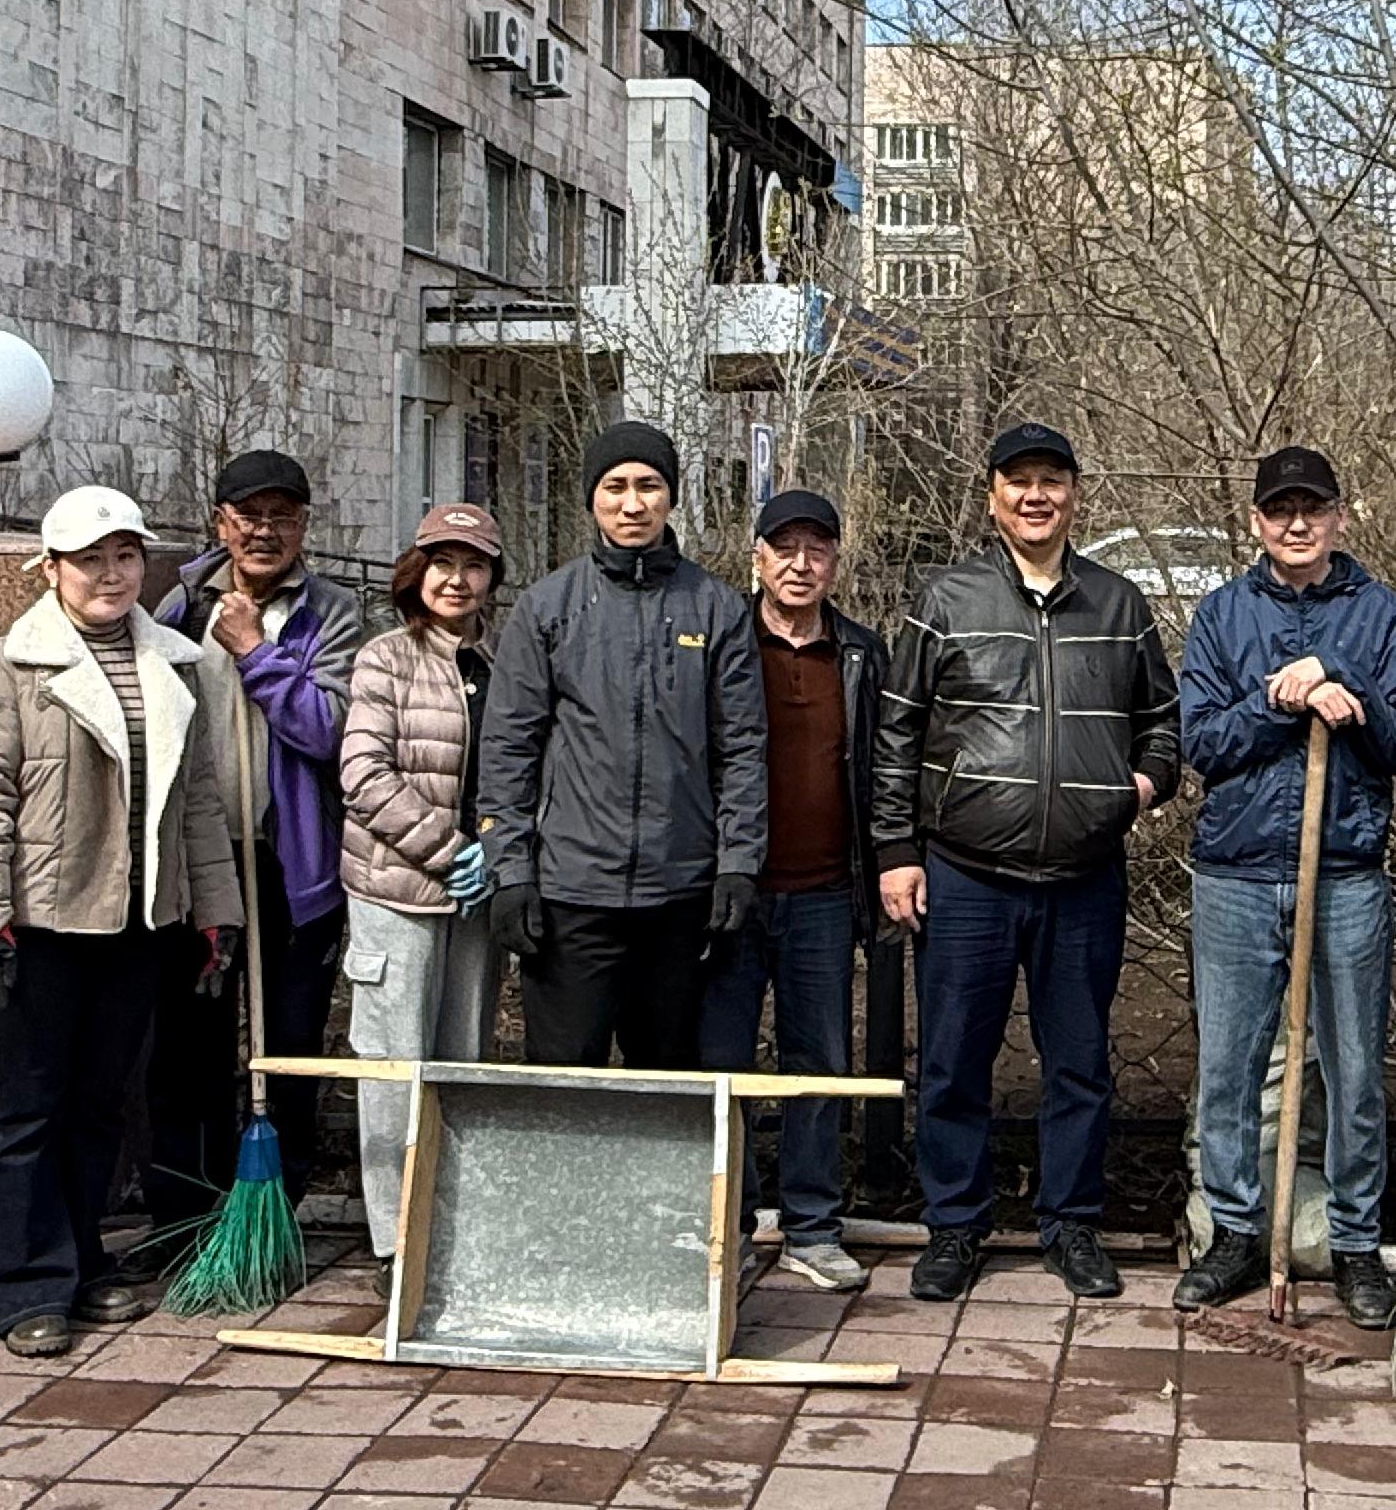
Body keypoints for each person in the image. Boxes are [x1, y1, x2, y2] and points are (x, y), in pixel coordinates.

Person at [872, 422, 1181, 1305]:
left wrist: (1143, 787)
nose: (1035, 496)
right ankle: (955, 1227)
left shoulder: (1117, 604)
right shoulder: (947, 599)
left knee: (1079, 1060)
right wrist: (897, 851)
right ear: (992, 497)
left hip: (1083, 875)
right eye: (1018, 483)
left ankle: (1071, 1224)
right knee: (954, 1062)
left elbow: (1164, 719)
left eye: (1051, 480)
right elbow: (896, 734)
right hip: (966, 871)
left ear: (1074, 494)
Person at [0, 488, 243, 1357]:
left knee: (103, 1105)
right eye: (89, 560)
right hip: (39, 923)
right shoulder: (10, 667)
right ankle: (26, 1281)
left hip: (140, 922)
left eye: (124, 557)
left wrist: (214, 917)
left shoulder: (175, 663)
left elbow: (197, 806)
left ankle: (83, 1260)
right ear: (52, 569)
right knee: (32, 1106)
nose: (110, 575)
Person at [1174, 444, 1396, 1328]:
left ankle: (1358, 1244)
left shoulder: (1379, 614)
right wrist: (1277, 702)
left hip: (1347, 872)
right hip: (1238, 874)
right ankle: (1236, 1232)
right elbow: (1199, 745)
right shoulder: (1221, 615)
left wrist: (1342, 685)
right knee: (1229, 1067)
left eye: (1312, 508)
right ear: (1255, 521)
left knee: (1354, 1066)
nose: (1295, 523)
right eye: (1279, 509)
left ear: (1339, 517)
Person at [477, 422, 768, 1071]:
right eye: (615, 488)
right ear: (592, 499)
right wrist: (512, 871)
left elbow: (743, 749)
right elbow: (508, 749)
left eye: (648, 486)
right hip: (571, 896)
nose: (632, 504)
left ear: (671, 497)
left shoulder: (715, 610)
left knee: (666, 1087)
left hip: (679, 897)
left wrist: (738, 861)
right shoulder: (548, 608)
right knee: (564, 1079)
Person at [151, 452, 378, 1229]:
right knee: (191, 1042)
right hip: (198, 860)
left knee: (288, 1040)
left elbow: (327, 729)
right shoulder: (178, 607)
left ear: (305, 526)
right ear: (221, 522)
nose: (264, 531)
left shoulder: (332, 612)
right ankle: (186, 1208)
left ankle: (275, 1210)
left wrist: (256, 652)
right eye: (249, 516)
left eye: (283, 517)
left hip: (293, 861)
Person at [700, 487, 884, 1294]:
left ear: (836, 563)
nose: (800, 564)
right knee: (725, 1063)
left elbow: (886, 772)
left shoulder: (860, 654)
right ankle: (730, 1224)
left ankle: (812, 1225)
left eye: (817, 550)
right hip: (731, 893)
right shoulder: (718, 641)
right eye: (786, 549)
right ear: (758, 559)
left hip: (822, 895)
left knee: (819, 1062)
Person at [337, 501, 507, 1258]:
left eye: (473, 565)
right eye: (443, 563)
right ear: (418, 570)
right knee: (394, 1073)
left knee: (463, 1067)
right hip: (396, 896)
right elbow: (364, 774)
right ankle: (394, 1244)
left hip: (476, 902)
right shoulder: (386, 658)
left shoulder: (504, 660)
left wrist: (497, 853)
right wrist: (446, 850)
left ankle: (451, 1239)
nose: (457, 580)